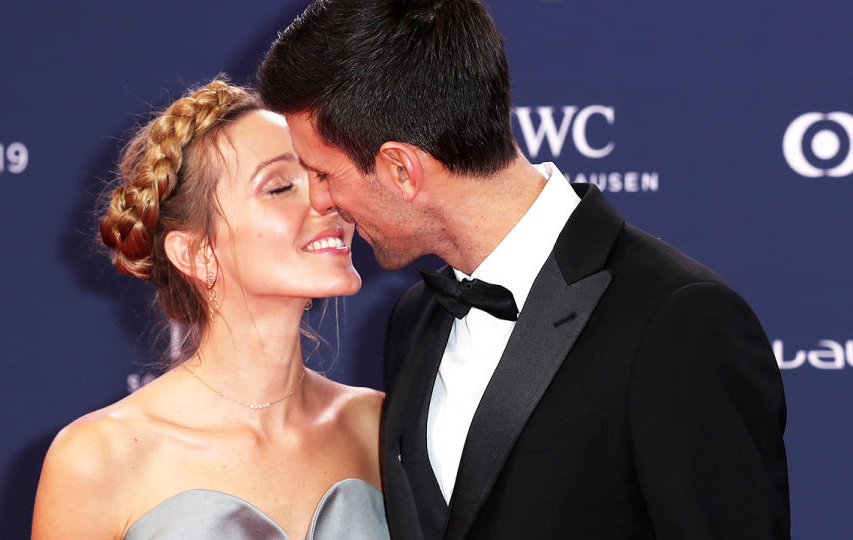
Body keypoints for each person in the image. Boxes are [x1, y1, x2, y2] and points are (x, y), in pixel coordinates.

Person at [257, 1, 791, 539]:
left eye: (322, 173)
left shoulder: (679, 320)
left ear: (402, 169)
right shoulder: (415, 319)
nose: (319, 200)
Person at [31, 78, 390, 540]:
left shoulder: (377, 427)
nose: (327, 201)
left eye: (320, 177)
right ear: (196, 253)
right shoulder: (99, 458)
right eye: (280, 187)